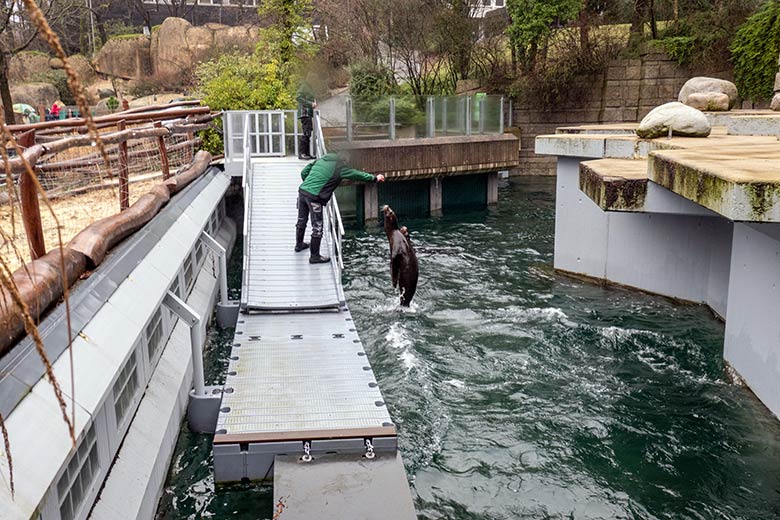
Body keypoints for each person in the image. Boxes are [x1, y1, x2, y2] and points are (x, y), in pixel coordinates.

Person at [296, 153, 385, 264]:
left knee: (301, 220)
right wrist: (374, 178)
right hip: (314, 198)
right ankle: (314, 256)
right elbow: (356, 174)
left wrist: (309, 185)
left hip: (302, 192)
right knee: (317, 227)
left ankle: (299, 245)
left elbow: (304, 172)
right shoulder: (339, 167)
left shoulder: (320, 160)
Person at [296, 75, 316, 160]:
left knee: (308, 133)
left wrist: (314, 102)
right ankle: (302, 153)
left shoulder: (309, 87)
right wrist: (310, 104)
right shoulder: (304, 86)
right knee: (306, 133)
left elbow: (309, 97)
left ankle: (307, 153)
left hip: (308, 113)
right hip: (305, 113)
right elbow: (298, 97)